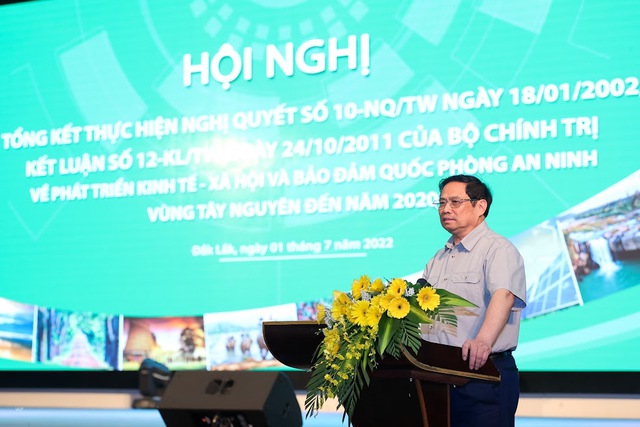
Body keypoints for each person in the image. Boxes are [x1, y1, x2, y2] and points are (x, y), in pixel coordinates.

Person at [420, 174, 527, 427]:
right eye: (441, 202)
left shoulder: (497, 249)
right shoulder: (438, 259)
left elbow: (504, 295)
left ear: (481, 206)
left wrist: (483, 341)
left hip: (482, 374)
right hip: (439, 377)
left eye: (455, 202)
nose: (446, 209)